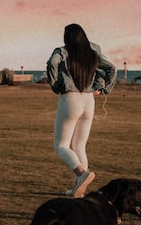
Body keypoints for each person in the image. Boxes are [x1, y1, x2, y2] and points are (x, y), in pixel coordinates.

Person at [46, 24, 116, 196]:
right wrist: (104, 88)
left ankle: (81, 173)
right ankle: (80, 189)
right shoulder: (93, 50)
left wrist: (56, 85)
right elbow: (112, 69)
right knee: (79, 146)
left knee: (61, 145)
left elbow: (52, 63)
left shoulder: (62, 51)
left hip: (70, 99)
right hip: (88, 100)